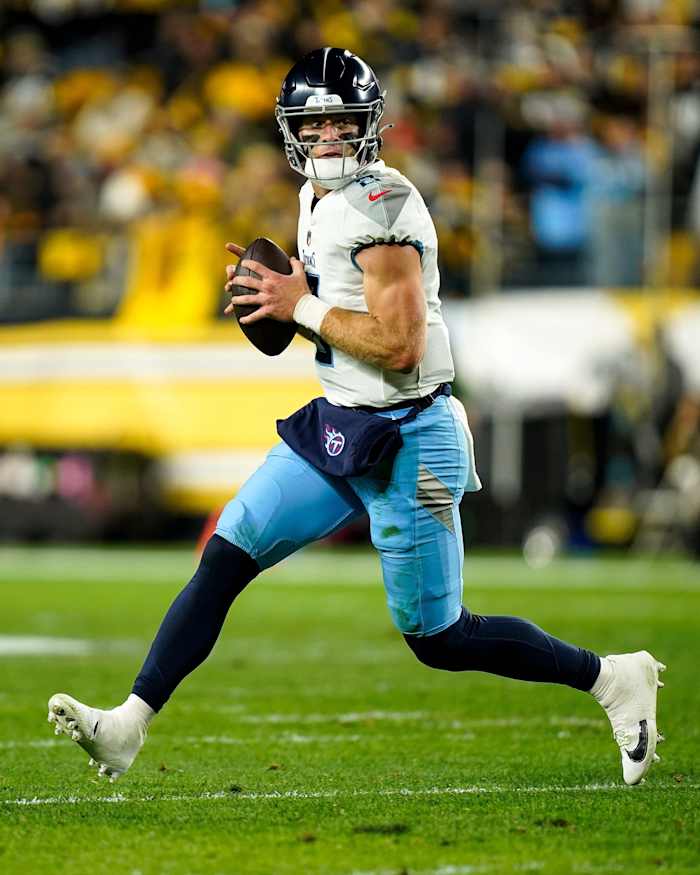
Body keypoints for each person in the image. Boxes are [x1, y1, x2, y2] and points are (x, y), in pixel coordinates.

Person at [47, 48, 665, 786]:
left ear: (370, 125)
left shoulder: (383, 205)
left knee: (439, 637)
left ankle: (612, 678)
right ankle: (128, 724)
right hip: (342, 424)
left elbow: (400, 347)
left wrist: (301, 305)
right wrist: (285, 297)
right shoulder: (315, 197)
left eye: (342, 122)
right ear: (291, 132)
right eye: (314, 125)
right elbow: (334, 312)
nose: (329, 137)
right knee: (226, 553)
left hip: (411, 436)